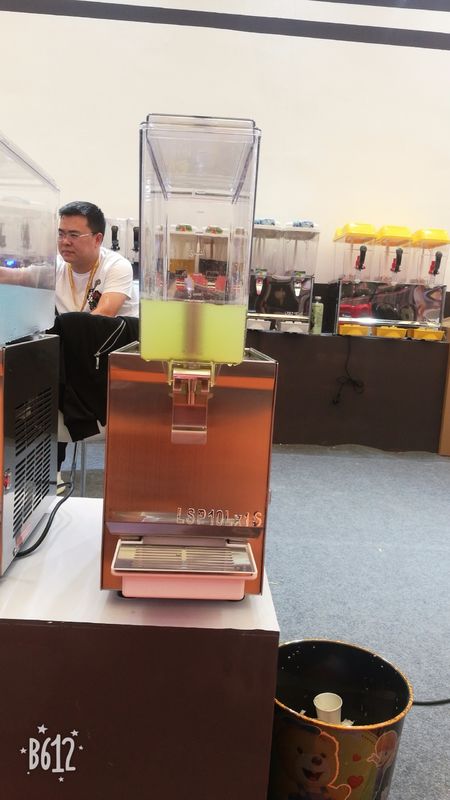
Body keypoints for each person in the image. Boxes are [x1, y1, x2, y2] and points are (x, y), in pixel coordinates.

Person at [56, 201, 138, 317]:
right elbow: (28, 274)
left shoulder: (116, 266)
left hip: (108, 329)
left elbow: (103, 315)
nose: (65, 242)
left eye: (74, 235)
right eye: (61, 234)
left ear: (97, 239)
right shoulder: (55, 266)